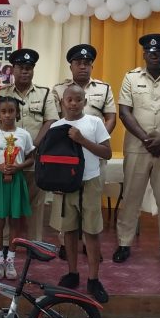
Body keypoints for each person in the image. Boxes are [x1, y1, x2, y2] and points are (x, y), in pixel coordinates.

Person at [113, 34, 160, 269]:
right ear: (144, 54)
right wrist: (147, 140)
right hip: (138, 148)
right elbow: (125, 112)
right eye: (150, 52)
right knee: (131, 198)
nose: (154, 55)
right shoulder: (131, 77)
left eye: (159, 52)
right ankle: (124, 244)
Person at [52, 44, 116, 260]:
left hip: (94, 154)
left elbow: (111, 118)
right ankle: (65, 245)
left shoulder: (104, 88)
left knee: (91, 202)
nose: (83, 67)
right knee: (67, 206)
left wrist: (95, 140)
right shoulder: (59, 90)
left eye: (87, 63)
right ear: (70, 66)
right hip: (67, 156)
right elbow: (55, 122)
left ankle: (90, 245)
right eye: (78, 63)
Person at [48, 85, 112, 303]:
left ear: (85, 102)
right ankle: (72, 273)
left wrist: (82, 140)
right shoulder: (56, 126)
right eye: (69, 100)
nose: (73, 103)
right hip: (66, 185)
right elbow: (52, 159)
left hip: (90, 182)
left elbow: (107, 152)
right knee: (69, 231)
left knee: (91, 232)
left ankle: (93, 279)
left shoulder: (94, 123)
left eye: (78, 99)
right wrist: (55, 182)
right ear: (62, 102)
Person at [0, 48, 58, 244]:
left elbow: (51, 121)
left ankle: (34, 243)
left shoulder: (45, 94)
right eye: (20, 67)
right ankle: (3, 244)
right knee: (6, 203)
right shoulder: (1, 93)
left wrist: (32, 146)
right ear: (12, 70)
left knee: (35, 203)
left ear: (33, 70)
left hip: (33, 159)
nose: (25, 71)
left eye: (29, 68)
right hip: (7, 163)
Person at [0, 96, 35, 280]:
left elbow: (30, 158)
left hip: (17, 178)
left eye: (11, 111)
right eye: (3, 111)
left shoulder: (24, 134)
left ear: (17, 113)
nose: (7, 115)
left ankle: (11, 260)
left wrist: (18, 166)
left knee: (15, 221)